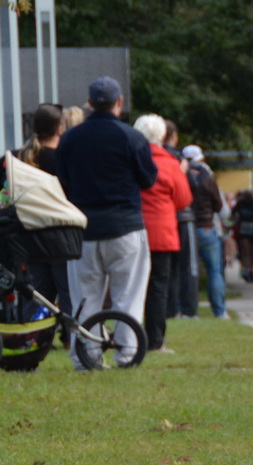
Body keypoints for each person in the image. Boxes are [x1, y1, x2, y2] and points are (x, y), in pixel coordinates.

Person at [55, 77, 157, 361]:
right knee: (129, 295)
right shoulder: (131, 137)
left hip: (83, 230)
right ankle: (127, 353)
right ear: (119, 102)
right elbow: (148, 179)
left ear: (89, 103)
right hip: (125, 226)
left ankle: (85, 355)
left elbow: (63, 182)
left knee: (85, 298)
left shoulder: (70, 139)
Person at [133, 114, 193, 352]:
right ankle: (155, 340)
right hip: (162, 232)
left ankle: (129, 336)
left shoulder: (130, 160)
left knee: (131, 286)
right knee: (158, 287)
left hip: (133, 229)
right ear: (162, 136)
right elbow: (183, 200)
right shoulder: (170, 163)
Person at [14, 104, 71, 321]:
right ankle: (71, 335)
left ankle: (34, 334)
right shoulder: (63, 160)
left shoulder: (17, 159)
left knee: (36, 296)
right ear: (61, 128)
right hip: (61, 236)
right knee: (68, 294)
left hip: (28, 236)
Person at [183, 145, 228, 318]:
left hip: (187, 227)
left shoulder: (182, 176)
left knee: (188, 271)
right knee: (215, 271)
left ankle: (188, 310)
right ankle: (219, 311)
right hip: (207, 227)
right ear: (201, 158)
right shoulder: (207, 177)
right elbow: (219, 205)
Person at [163, 120, 199, 318]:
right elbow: (193, 186)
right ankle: (189, 308)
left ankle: (169, 308)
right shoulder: (179, 159)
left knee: (167, 266)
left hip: (164, 217)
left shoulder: (151, 156)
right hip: (184, 216)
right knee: (188, 265)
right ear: (174, 136)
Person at [229, 187, 253, 284]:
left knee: (245, 250)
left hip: (243, 228)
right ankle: (249, 269)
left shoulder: (240, 203)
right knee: (251, 251)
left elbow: (233, 214)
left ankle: (245, 268)